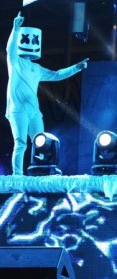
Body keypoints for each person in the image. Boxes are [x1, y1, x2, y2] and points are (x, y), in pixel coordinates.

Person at [5, 11, 88, 175]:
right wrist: (15, 29)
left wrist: (76, 67)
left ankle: (42, 170)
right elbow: (10, 49)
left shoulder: (36, 68)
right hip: (18, 110)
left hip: (34, 110)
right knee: (21, 143)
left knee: (41, 142)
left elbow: (56, 75)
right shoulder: (15, 62)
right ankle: (17, 175)